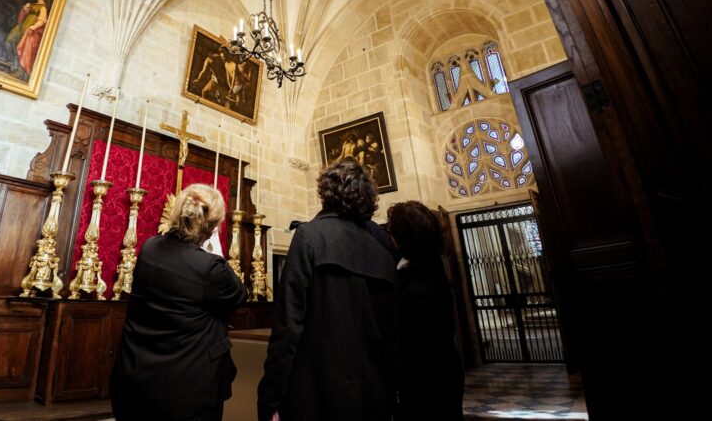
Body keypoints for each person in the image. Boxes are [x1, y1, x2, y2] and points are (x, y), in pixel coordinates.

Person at [257, 158, 397, 421]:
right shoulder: (383, 254)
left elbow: (288, 327)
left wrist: (270, 399)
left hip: (317, 395)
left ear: (326, 191)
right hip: (373, 396)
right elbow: (391, 340)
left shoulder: (309, 237)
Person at [111, 184, 248, 421]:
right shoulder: (211, 268)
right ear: (213, 227)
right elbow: (239, 295)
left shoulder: (149, 248)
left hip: (136, 377)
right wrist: (216, 255)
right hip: (187, 390)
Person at [386, 201, 464, 420]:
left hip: (427, 388)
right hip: (446, 376)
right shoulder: (433, 267)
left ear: (400, 239)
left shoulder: (414, 289)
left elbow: (418, 357)